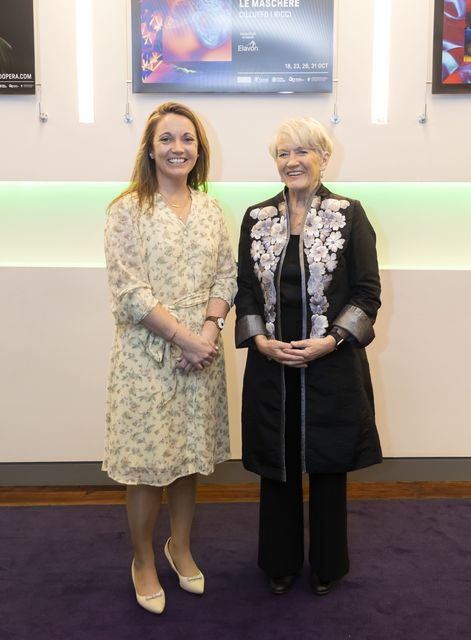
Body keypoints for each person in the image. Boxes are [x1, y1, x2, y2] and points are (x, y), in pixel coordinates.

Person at [235, 117, 382, 596]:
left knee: (326, 465)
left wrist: (332, 339)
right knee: (278, 466)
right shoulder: (257, 218)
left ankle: (327, 566)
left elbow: (366, 293)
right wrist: (258, 339)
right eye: (283, 153)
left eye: (302, 151)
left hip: (330, 363)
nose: (292, 161)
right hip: (272, 365)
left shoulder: (350, 214)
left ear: (324, 156)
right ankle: (278, 562)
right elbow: (245, 291)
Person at [103, 102, 236, 614]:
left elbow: (226, 277)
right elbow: (128, 291)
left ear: (198, 149)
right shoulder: (126, 210)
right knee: (146, 466)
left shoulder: (209, 209)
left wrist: (207, 332)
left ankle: (179, 546)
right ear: (150, 149)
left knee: (187, 459)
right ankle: (142, 558)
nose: (178, 147)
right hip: (147, 356)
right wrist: (183, 338)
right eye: (167, 139)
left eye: (187, 139)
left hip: (200, 353)